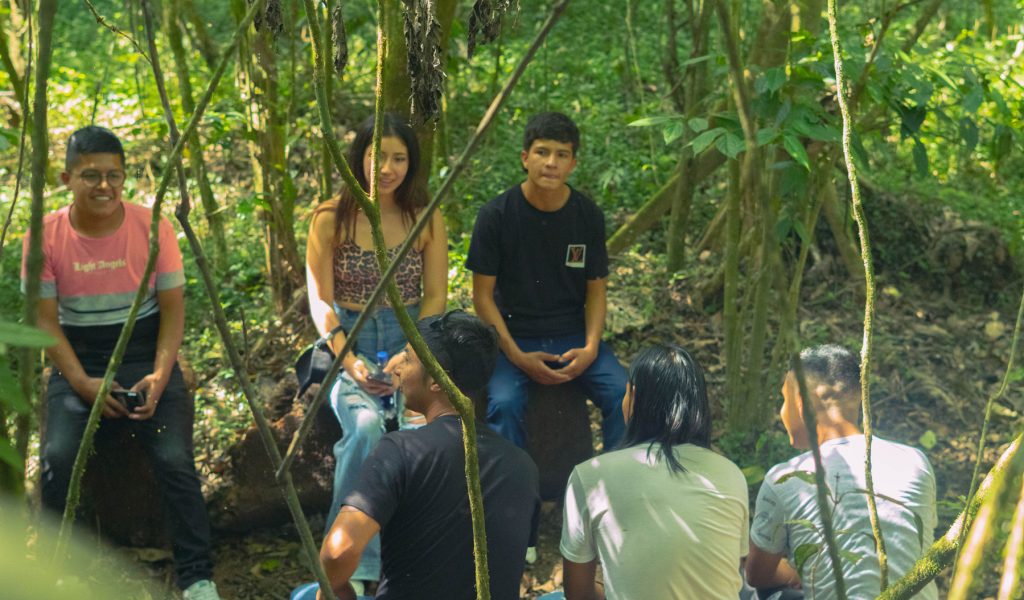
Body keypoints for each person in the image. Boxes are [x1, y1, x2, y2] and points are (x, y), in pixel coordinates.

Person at [23, 126, 219, 600]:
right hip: (80, 356)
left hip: (144, 348)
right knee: (57, 456)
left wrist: (161, 372)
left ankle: (197, 576)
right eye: (90, 176)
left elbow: (173, 308)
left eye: (114, 175)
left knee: (173, 457)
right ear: (66, 177)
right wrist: (79, 382)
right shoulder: (45, 235)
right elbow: (46, 321)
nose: (104, 186)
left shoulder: (153, 227)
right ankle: (61, 571)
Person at [292, 310, 540, 600]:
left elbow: (337, 552)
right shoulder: (523, 466)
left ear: (437, 380)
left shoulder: (399, 451)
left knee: (305, 595)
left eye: (407, 358)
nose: (396, 368)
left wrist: (336, 589)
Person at [305, 113, 448, 591]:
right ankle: (352, 569)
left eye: (398, 158)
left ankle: (423, 558)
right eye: (376, 155)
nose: (385, 167)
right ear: (358, 156)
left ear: (412, 163)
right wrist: (351, 362)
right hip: (350, 342)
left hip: (413, 339)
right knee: (365, 428)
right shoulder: (332, 217)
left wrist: (411, 352)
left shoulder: (423, 216)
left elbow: (434, 298)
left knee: (419, 432)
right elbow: (321, 301)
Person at [466, 111, 626, 450]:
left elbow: (596, 291)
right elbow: (482, 297)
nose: (551, 163)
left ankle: (615, 489)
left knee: (623, 394)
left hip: (572, 333)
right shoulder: (496, 216)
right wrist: (515, 353)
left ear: (573, 164)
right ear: (525, 158)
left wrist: (591, 348)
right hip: (513, 335)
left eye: (561, 155)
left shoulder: (587, 216)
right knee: (504, 403)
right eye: (542, 152)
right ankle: (514, 498)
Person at [746, 345, 938, 599]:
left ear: (800, 404)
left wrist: (795, 573)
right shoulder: (915, 461)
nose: (782, 411)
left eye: (784, 399)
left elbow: (757, 575)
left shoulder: (786, 477)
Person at [559, 344, 749, 599]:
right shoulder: (730, 474)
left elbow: (578, 594)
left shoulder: (591, 476)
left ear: (633, 397)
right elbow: (720, 573)